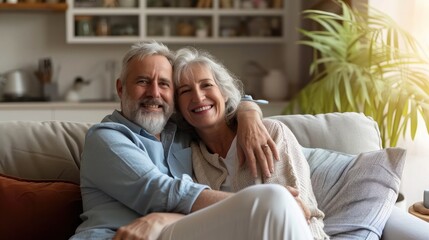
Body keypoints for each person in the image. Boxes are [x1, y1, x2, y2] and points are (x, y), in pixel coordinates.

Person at [70, 41, 313, 240]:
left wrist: (248, 111)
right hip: (114, 236)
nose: (154, 92)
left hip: (172, 232)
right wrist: (255, 203)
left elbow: (215, 106)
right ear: (121, 89)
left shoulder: (182, 134)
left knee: (275, 203)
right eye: (143, 81)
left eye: (164, 84)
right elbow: (159, 193)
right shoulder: (106, 137)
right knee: (274, 199)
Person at [171, 47, 329, 240]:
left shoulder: (269, 133)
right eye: (185, 91)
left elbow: (296, 213)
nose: (198, 96)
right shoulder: (188, 154)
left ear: (224, 93)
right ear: (177, 105)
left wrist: (248, 111)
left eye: (206, 85)